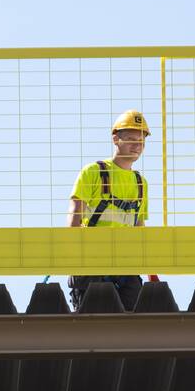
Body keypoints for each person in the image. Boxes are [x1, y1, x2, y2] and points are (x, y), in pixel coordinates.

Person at [66, 109, 150, 311]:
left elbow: (139, 228)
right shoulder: (93, 172)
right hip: (90, 265)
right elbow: (73, 222)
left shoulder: (140, 183)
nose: (136, 145)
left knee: (132, 328)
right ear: (115, 139)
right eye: (130, 139)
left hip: (125, 268)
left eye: (140, 140)